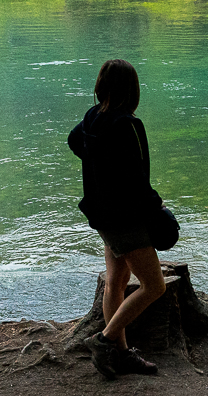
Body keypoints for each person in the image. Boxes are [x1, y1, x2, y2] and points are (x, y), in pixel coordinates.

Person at [68, 59, 168, 379]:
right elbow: (136, 181)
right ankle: (104, 341)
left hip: (103, 217)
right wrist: (159, 209)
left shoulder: (92, 117)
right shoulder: (126, 125)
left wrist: (98, 165)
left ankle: (121, 355)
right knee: (154, 286)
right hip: (126, 220)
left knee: (117, 282)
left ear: (102, 86)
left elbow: (74, 141)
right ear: (132, 90)